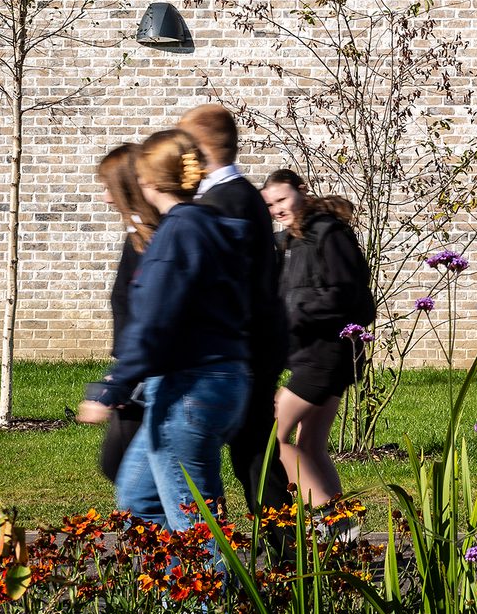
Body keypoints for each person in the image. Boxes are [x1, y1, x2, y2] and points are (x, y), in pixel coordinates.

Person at [77, 129, 253, 535]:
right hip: (218, 382)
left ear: (149, 181)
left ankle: (214, 597)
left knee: (196, 526)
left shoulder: (177, 235)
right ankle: (173, 595)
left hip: (188, 391)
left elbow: (153, 321)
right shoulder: (210, 224)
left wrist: (112, 389)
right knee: (141, 499)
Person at [176, 102, 290, 512]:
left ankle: (274, 551)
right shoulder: (242, 197)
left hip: (242, 352)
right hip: (257, 346)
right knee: (255, 456)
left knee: (253, 458)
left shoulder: (221, 205)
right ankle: (281, 549)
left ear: (200, 148)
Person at [261, 168, 374, 507]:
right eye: (270, 205)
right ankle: (346, 532)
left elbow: (347, 293)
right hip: (313, 355)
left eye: (282, 199)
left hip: (327, 355)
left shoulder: (328, 233)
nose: (277, 209)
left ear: (301, 190)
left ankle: (331, 521)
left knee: (273, 440)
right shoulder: (291, 241)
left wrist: (297, 315)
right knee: (309, 445)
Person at [95, 142, 159, 483]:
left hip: (149, 373)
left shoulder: (153, 239)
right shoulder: (137, 235)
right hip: (136, 370)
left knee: (126, 468)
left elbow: (149, 314)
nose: (106, 198)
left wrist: (125, 377)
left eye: (109, 188)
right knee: (126, 469)